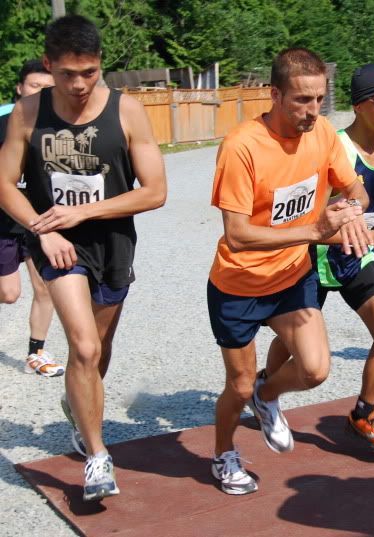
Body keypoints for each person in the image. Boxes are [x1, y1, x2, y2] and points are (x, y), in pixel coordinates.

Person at [0, 15, 167, 501]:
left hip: (112, 244)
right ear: (49, 65)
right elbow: (5, 184)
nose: (78, 84)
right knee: (85, 348)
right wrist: (41, 228)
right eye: (68, 73)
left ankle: (78, 405)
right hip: (56, 246)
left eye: (89, 72)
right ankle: (97, 458)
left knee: (98, 350)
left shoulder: (128, 111)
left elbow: (155, 191)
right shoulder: (28, 114)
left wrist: (85, 213)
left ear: (100, 66)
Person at [207, 47, 372, 495]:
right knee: (236, 387)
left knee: (315, 370)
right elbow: (238, 235)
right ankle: (223, 453)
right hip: (239, 285)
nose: (312, 111)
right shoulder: (242, 146)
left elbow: (354, 186)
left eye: (319, 99)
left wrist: (354, 210)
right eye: (301, 100)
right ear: (275, 94)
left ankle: (268, 394)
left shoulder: (322, 134)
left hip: (291, 278)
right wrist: (316, 229)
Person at [265, 63, 374, 453]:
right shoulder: (332, 147)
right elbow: (310, 219)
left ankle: (363, 415)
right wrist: (373, 234)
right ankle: (266, 391)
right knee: (293, 346)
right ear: (359, 106)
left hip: (359, 256)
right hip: (315, 258)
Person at [0, 60, 64, 377]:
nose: (41, 93)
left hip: (39, 221)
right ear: (20, 88)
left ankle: (35, 353)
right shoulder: (4, 122)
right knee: (9, 294)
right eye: (35, 86)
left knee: (46, 287)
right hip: (4, 221)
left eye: (48, 88)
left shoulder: (58, 126)